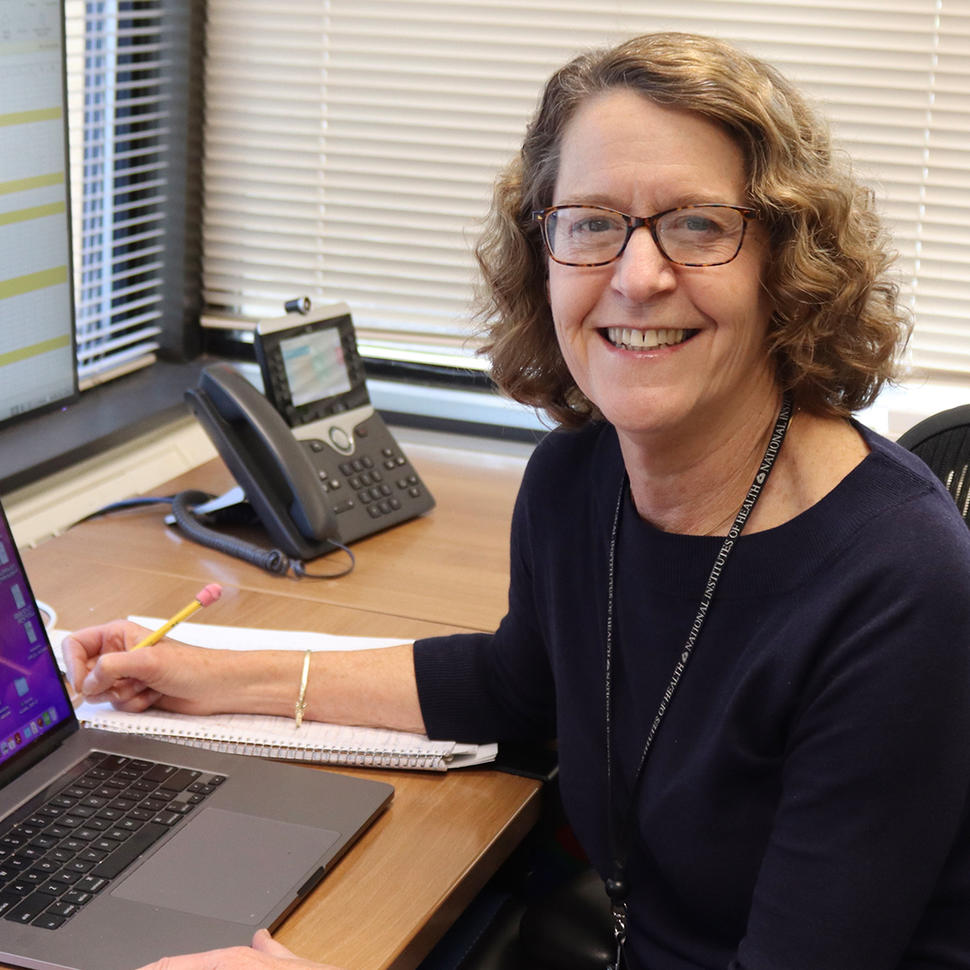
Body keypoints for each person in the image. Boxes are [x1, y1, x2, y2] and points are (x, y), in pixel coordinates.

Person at [64, 31, 970, 970]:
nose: (638, 274)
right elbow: (513, 685)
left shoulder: (899, 580)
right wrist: (209, 676)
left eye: (699, 223)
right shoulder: (576, 481)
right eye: (591, 222)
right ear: (544, 250)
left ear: (784, 261)